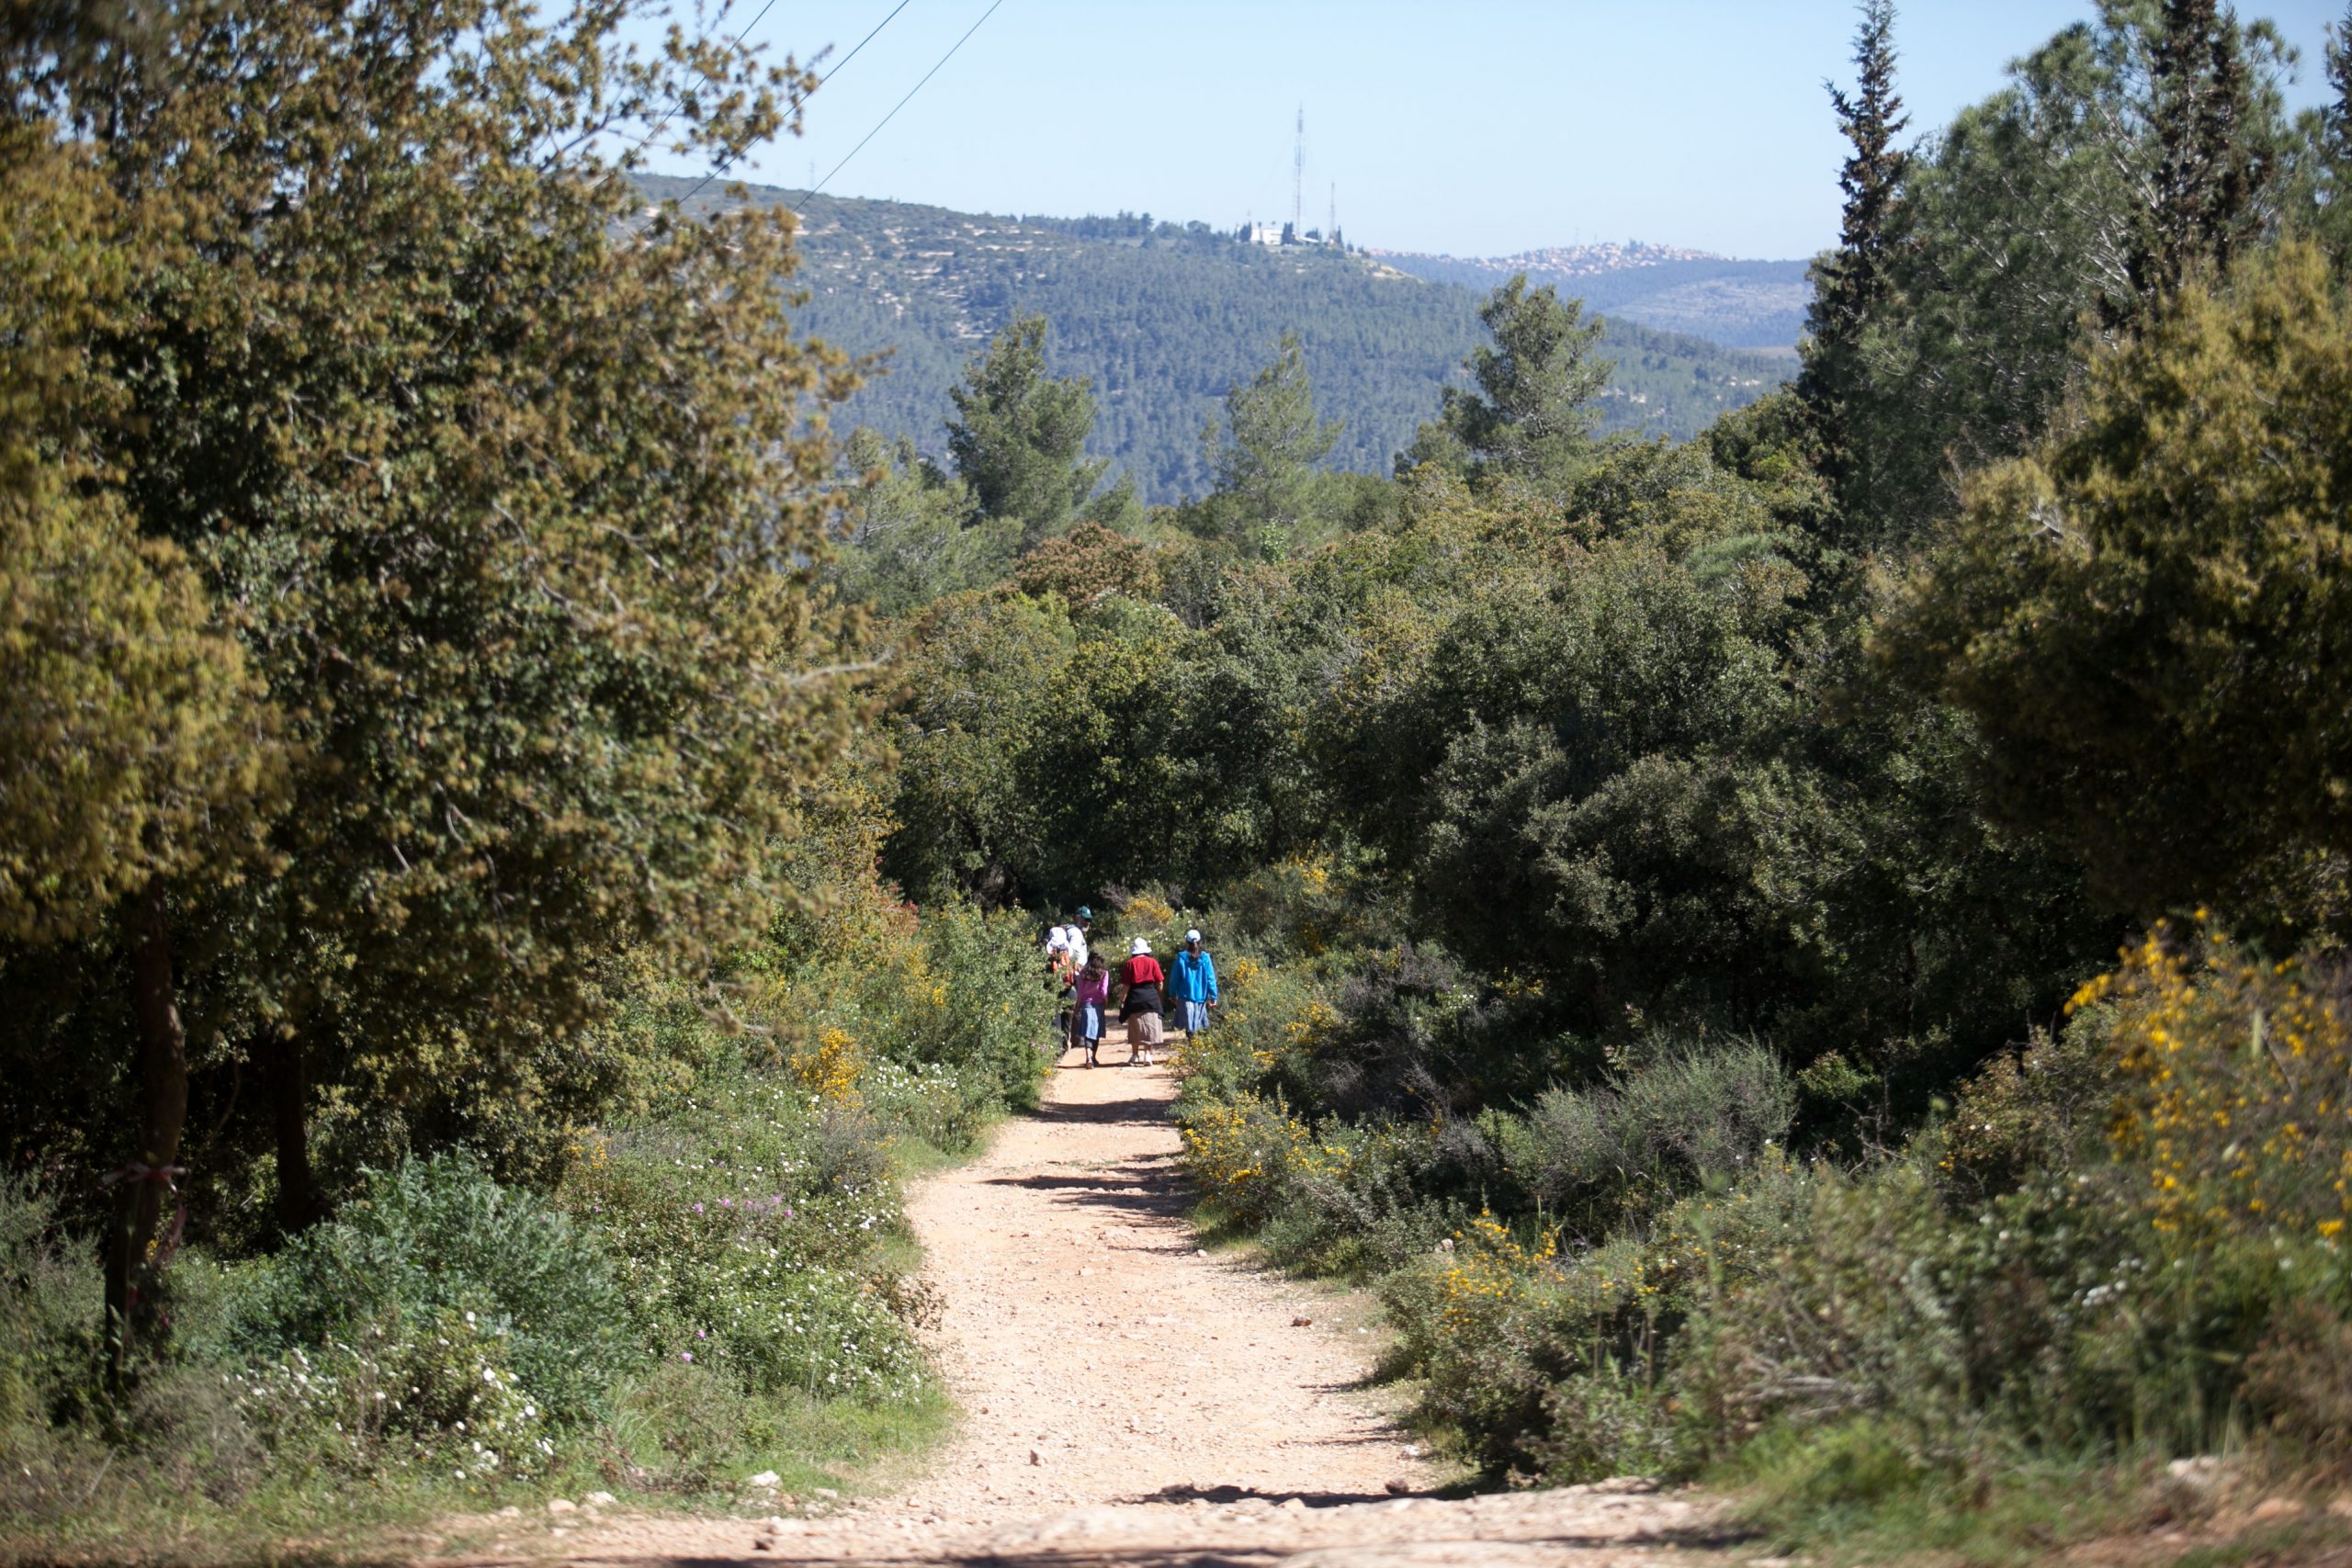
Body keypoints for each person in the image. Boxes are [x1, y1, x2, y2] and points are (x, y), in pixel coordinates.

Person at [1115, 936, 1166, 1065]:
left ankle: (1135, 1055)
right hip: (1150, 996)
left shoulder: (1130, 964)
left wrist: (1122, 1000)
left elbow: (1126, 985)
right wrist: (1159, 998)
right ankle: (1147, 1055)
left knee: (1135, 1026)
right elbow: (1160, 983)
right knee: (1150, 1026)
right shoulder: (1153, 962)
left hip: (1135, 997)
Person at [1167, 928, 1220, 1039]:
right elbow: (1211, 978)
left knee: (1189, 1026)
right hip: (1201, 997)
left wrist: (1172, 994)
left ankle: (1192, 1045)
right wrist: (1213, 996)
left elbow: (1174, 978)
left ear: (1187, 942)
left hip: (1185, 997)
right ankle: (1197, 1049)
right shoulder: (1205, 958)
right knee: (1198, 1025)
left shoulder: (1181, 958)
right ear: (1200, 941)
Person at [1071, 953, 1112, 1067]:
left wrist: (1078, 1005)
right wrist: (1106, 1003)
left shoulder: (1083, 973)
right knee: (1096, 1032)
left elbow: (1080, 992)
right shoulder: (1104, 973)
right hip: (1098, 1005)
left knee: (1088, 1032)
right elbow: (1104, 991)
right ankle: (1093, 1057)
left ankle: (1088, 1058)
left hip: (1086, 1005)